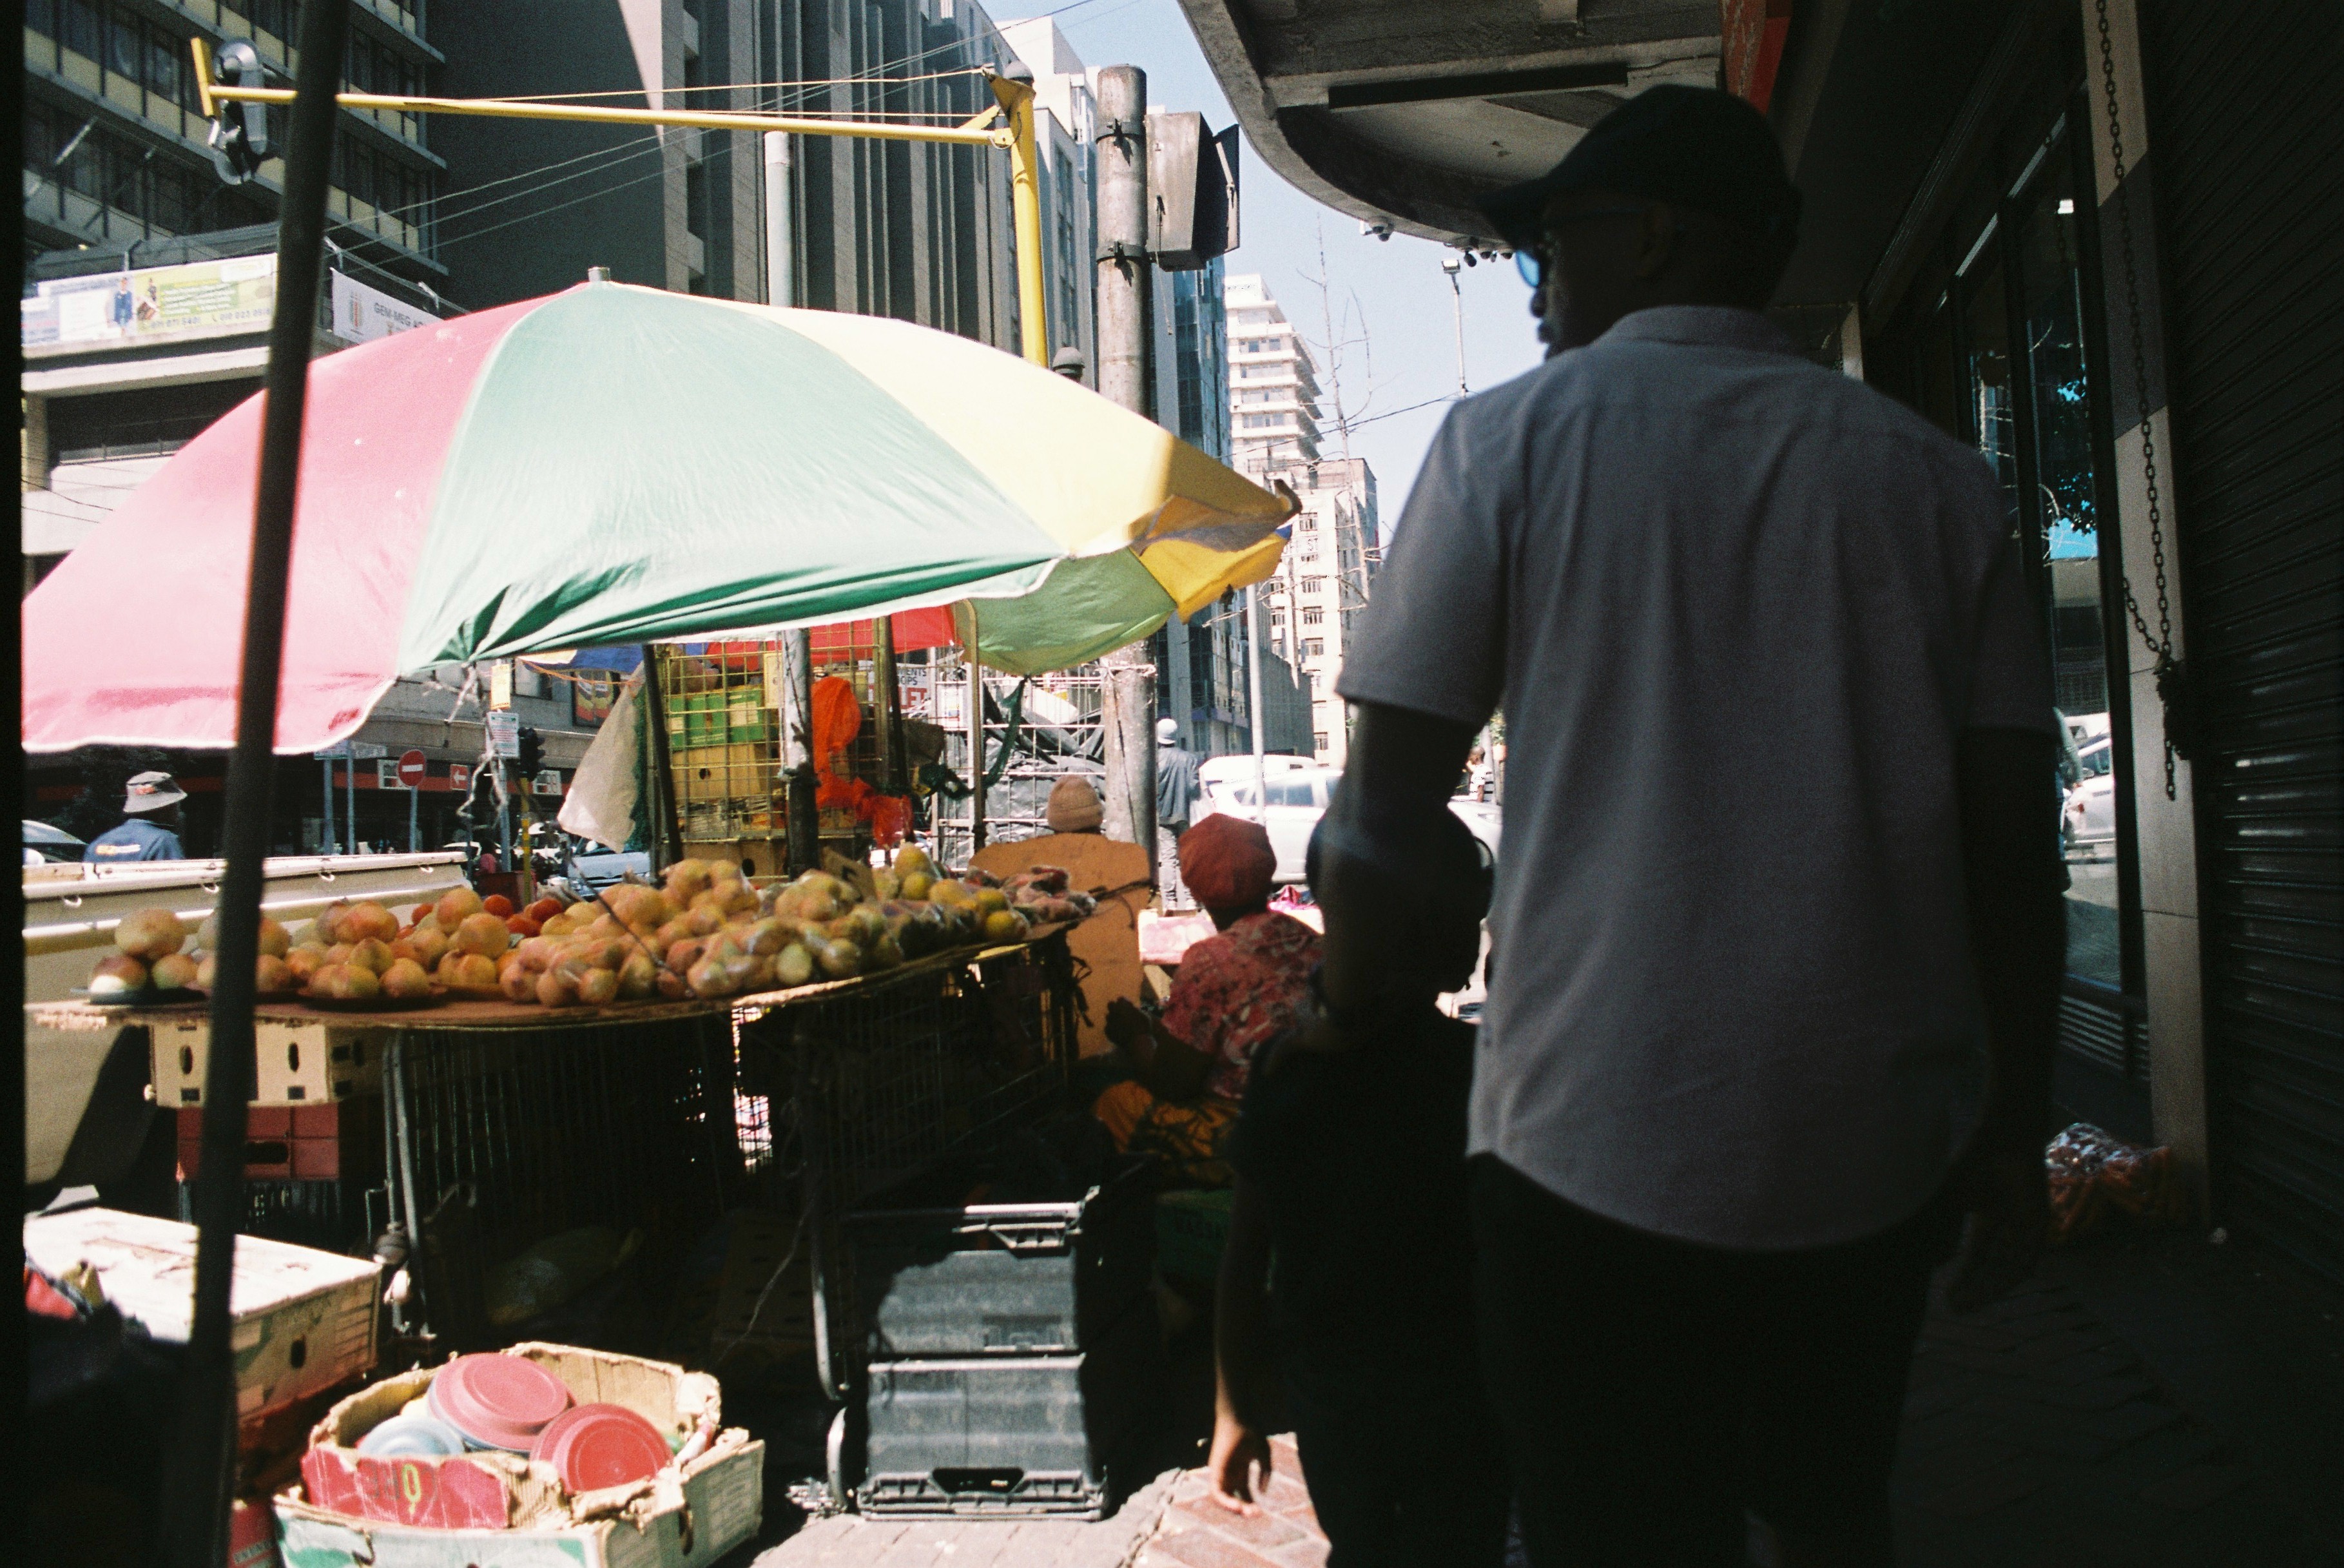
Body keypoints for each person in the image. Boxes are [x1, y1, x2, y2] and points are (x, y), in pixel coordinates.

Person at [1313, 86, 2064, 1565]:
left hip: (1583, 1152)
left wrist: (1344, 1020)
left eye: (1550, 249)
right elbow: (2009, 845)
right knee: (1827, 1509)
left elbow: (1382, 814)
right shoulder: (1936, 481)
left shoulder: (1503, 448)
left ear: (1652, 236)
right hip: (1866, 1151)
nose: (1536, 291)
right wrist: (2012, 1132)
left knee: (1609, 1529)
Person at [1208, 811, 1507, 1567]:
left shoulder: (1286, 1071)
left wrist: (1232, 1410)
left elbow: (1243, 1262)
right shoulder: (1484, 1072)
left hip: (1332, 1391)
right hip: (1460, 1391)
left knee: (1362, 1545)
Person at [1094, 814, 1317, 1186]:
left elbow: (1174, 1083)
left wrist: (1136, 1038)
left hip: (1253, 1134)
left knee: (1115, 1104)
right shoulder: (1305, 938)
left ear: (1194, 888)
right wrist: (1154, 1027)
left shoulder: (1208, 961)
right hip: (1318, 1120)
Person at [970, 775, 1149, 1058]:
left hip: (1047, 1025)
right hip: (1114, 1027)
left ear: (1052, 821)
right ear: (1098, 818)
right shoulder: (1128, 858)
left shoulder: (1025, 865)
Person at [82, 771, 188, 863]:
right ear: (167, 807)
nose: (178, 811)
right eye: (177, 804)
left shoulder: (98, 844)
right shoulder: (163, 841)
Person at [1154, 716, 1202, 910]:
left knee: (1168, 859)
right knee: (1186, 858)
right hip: (1185, 816)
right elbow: (1194, 790)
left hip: (1163, 817)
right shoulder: (1190, 759)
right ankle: (1190, 899)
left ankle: (1170, 901)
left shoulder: (1154, 759)